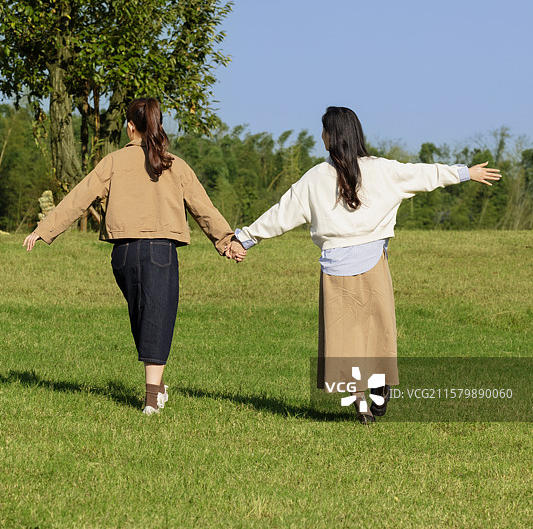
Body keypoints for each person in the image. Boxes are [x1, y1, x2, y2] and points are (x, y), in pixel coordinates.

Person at [226, 106, 501, 424]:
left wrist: (245, 238)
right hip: (372, 264)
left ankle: (363, 406)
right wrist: (465, 172)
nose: (321, 136)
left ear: (332, 136)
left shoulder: (315, 178)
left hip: (335, 268)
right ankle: (378, 388)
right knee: (378, 332)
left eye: (324, 131)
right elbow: (424, 174)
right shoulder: (383, 170)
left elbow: (281, 213)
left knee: (347, 339)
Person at [24, 97, 246, 415]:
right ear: (157, 126)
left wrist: (45, 229)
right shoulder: (174, 165)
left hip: (123, 254)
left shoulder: (113, 162)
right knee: (156, 320)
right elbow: (203, 207)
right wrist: (226, 241)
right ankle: (152, 399)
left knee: (143, 318)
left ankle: (157, 388)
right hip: (160, 252)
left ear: (130, 127)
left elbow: (79, 196)